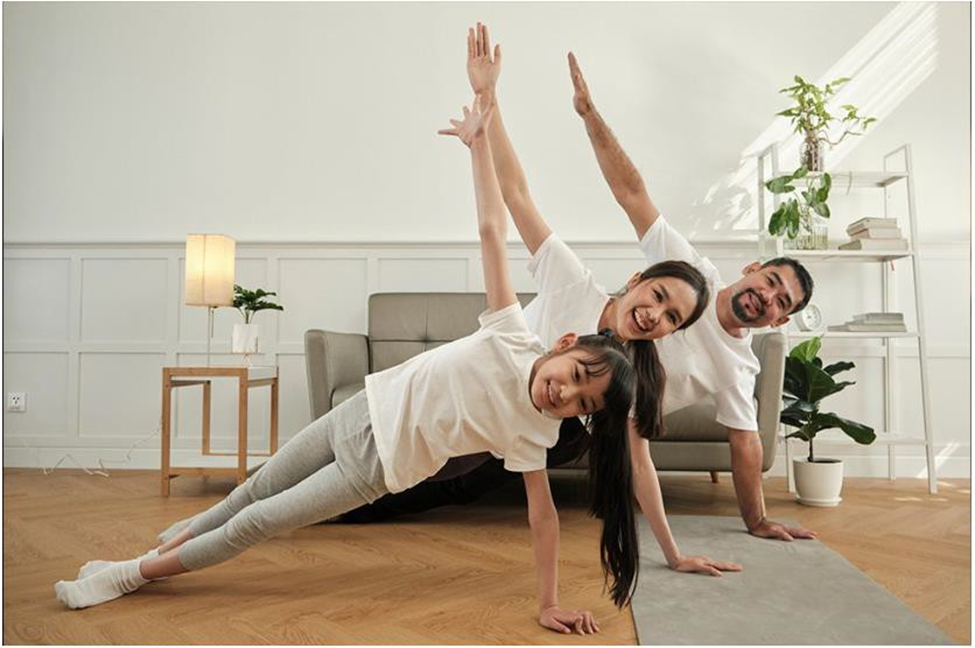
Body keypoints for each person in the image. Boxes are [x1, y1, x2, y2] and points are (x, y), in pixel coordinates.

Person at [54, 98, 637, 634]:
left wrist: (547, 602)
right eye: (577, 376)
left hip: (374, 470)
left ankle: (128, 575)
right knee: (247, 492)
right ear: (563, 343)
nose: (567, 395)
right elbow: (491, 228)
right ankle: (149, 557)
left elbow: (544, 519)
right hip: (358, 411)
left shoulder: (536, 433)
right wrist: (478, 145)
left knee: (256, 522)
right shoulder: (511, 333)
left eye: (583, 404)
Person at [333, 23, 745, 578]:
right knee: (395, 471)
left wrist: (674, 554)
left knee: (440, 483)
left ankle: (338, 502)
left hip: (536, 432)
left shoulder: (632, 375)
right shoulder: (573, 282)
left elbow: (639, 464)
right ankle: (320, 502)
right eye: (658, 297)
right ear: (637, 280)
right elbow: (517, 195)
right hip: (481, 390)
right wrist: (489, 100)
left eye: (672, 318)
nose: (656, 315)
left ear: (671, 333)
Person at [566, 49, 817, 542]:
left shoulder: (738, 366)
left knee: (456, 478)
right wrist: (590, 115)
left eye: (781, 302)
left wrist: (756, 520)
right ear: (752, 270)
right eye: (771, 282)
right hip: (559, 366)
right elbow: (632, 195)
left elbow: (746, 442)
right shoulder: (690, 272)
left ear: (779, 322)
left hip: (589, 426)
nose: (768, 298)